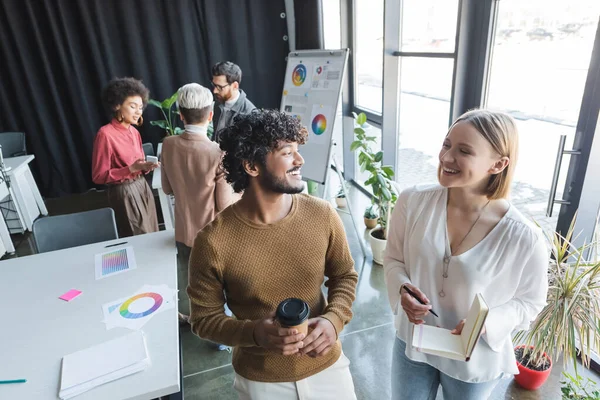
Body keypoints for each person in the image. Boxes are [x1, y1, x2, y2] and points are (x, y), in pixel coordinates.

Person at [187, 109, 358, 399]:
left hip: (327, 366)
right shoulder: (212, 242)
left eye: (298, 151)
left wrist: (334, 319)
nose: (300, 160)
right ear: (252, 166)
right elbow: (203, 319)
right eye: (287, 152)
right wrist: (254, 333)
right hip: (261, 381)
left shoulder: (323, 214)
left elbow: (345, 275)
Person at [384, 109, 549, 400]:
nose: (446, 158)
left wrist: (488, 323)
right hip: (414, 341)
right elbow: (394, 259)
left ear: (498, 164)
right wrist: (402, 289)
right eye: (447, 145)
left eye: (464, 151)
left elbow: (531, 302)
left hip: (474, 358)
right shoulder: (412, 201)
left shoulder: (523, 237)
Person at [160, 83, 234, 323]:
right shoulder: (218, 152)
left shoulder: (168, 145)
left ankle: (190, 318)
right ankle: (218, 332)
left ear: (180, 115)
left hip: (183, 230)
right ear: (211, 114)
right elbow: (224, 204)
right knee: (218, 286)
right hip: (212, 234)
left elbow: (168, 188)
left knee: (191, 281)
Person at [92, 77, 159, 237]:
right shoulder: (105, 134)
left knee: (153, 232)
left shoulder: (134, 131)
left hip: (142, 186)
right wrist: (131, 169)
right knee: (140, 237)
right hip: (124, 192)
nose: (138, 112)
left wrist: (145, 167)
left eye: (140, 107)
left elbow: (137, 164)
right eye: (132, 106)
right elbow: (99, 176)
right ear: (117, 106)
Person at [210, 61, 256, 142]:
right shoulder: (217, 103)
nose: (215, 91)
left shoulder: (250, 113)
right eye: (214, 85)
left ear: (235, 86)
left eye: (220, 87)